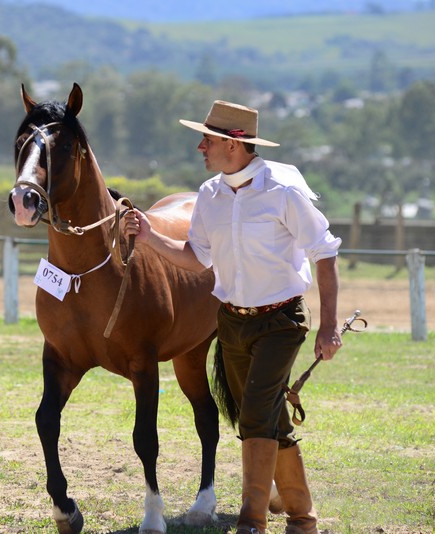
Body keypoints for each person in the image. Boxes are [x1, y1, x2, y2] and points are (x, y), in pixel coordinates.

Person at [122, 100, 342, 534]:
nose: (200, 147)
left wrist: (330, 325)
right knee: (269, 419)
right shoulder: (210, 195)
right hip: (231, 323)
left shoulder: (283, 191)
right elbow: (196, 258)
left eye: (207, 140)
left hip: (281, 322)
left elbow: (325, 252)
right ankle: (303, 520)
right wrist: (149, 237)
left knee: (254, 417)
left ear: (234, 144)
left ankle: (251, 522)